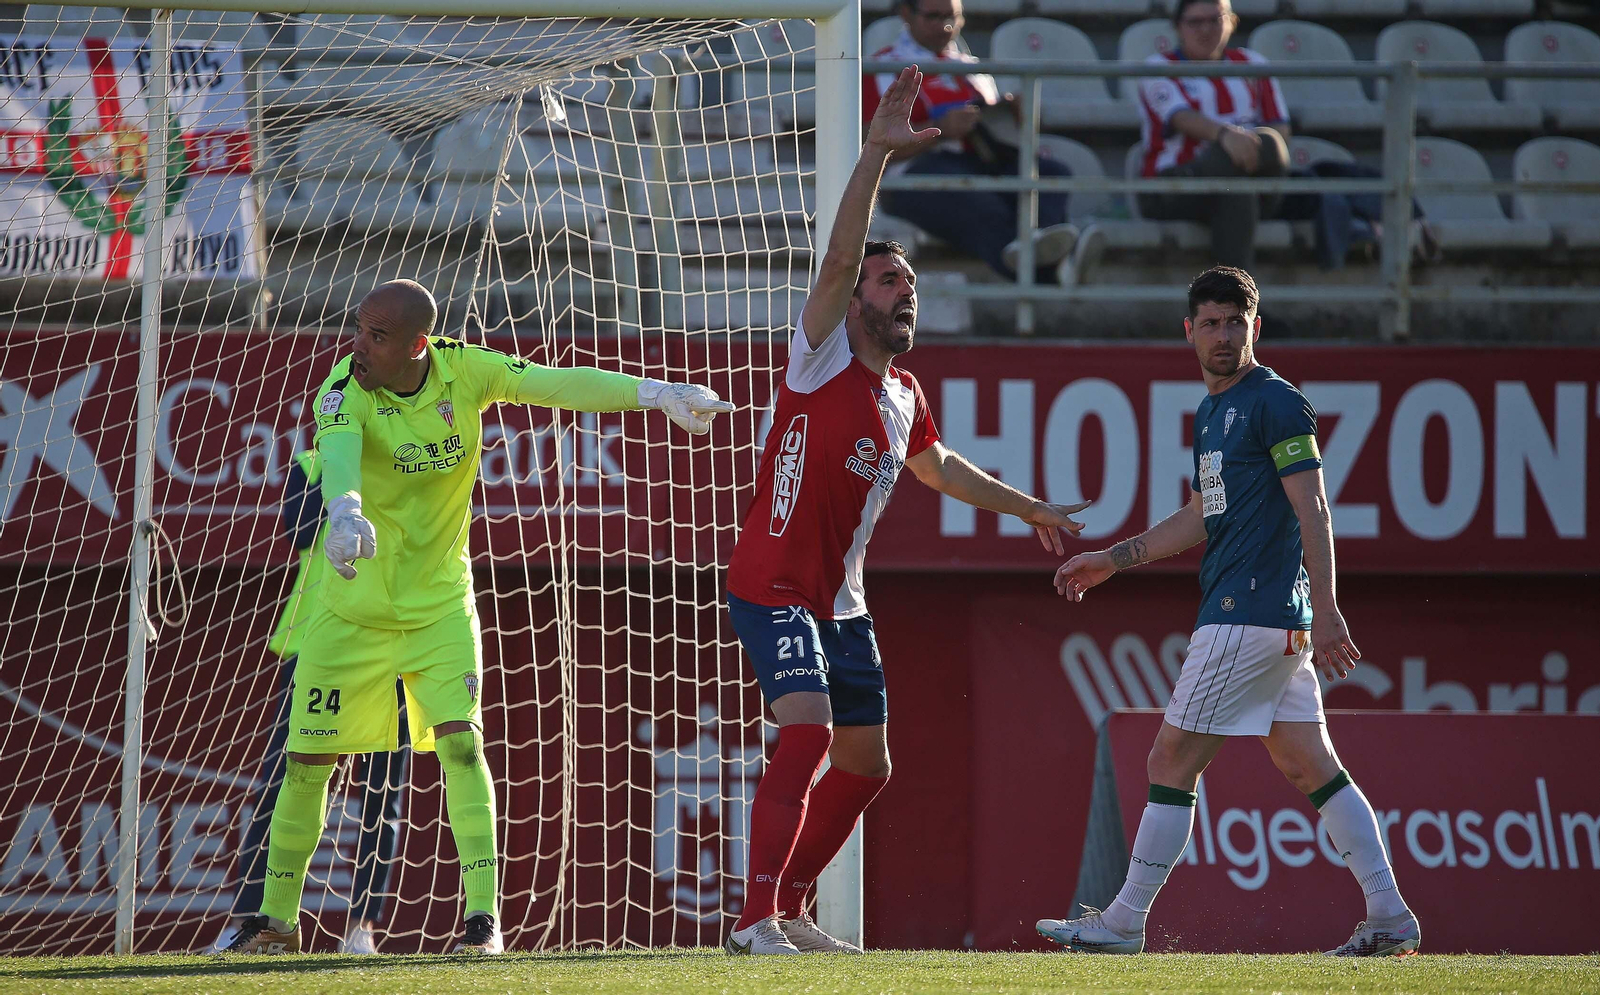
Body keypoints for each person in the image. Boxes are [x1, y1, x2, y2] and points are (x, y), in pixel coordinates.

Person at [220, 279, 734, 956]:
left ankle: (482, 926)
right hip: (350, 612)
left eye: (376, 335)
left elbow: (557, 383)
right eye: (357, 329)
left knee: (461, 744)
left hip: (438, 606)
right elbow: (339, 455)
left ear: (417, 345)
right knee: (308, 761)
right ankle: (276, 923)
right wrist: (345, 511)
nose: (357, 345)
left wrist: (655, 393)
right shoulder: (344, 390)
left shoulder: (467, 369)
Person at [722, 67, 1090, 957]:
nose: (903, 291)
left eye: (910, 281)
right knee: (808, 727)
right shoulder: (816, 359)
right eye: (889, 282)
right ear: (854, 304)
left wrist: (1027, 504)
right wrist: (877, 155)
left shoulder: (902, 394)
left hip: (842, 603)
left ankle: (793, 910)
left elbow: (941, 468)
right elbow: (842, 256)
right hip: (774, 585)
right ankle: (751, 919)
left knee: (867, 764)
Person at [1035, 266, 1421, 958]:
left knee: (1170, 755)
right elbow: (1200, 515)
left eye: (1234, 323)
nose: (1222, 335)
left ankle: (1125, 920)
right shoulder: (1211, 412)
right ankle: (1389, 913)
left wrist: (1329, 609)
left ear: (1256, 327)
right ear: (1189, 330)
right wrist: (1112, 558)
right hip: (1270, 618)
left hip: (1251, 611)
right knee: (1310, 764)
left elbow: (1315, 507)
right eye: (1210, 323)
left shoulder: (1275, 402)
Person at [209, 449, 407, 956]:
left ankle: (362, 927)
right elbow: (298, 533)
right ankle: (253, 920)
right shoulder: (314, 462)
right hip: (313, 643)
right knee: (280, 784)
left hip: (394, 639)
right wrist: (347, 483)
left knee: (382, 791)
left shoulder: (411, 451)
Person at [869, 0, 1091, 285]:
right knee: (982, 201)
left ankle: (1042, 251)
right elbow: (869, 144)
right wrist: (940, 128)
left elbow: (997, 134)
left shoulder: (973, 69)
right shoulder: (883, 67)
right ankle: (1055, 271)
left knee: (1053, 174)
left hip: (978, 163)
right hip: (913, 172)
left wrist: (1009, 114)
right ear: (906, 14)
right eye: (933, 17)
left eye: (953, 17)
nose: (946, 26)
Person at [1136, 0, 1290, 270]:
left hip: (1248, 184)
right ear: (1177, 27)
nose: (1205, 30)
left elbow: (1280, 128)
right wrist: (1225, 136)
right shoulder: (1159, 67)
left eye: (1215, 20)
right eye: (1195, 22)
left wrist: (1244, 145)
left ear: (1232, 21)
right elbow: (1181, 117)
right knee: (1237, 190)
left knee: (1268, 146)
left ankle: (1232, 307)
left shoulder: (1253, 64)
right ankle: (1241, 309)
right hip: (1175, 188)